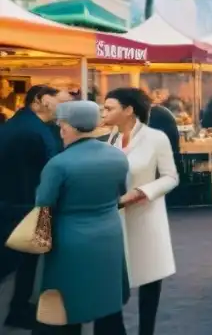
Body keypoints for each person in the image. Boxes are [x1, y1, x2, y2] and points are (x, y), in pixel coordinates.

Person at [35, 101, 130, 335]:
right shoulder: (117, 157)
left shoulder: (58, 164)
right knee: (106, 298)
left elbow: (44, 205)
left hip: (69, 240)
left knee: (65, 304)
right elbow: (120, 193)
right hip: (109, 234)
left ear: (66, 127)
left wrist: (38, 243)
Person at [101, 88, 178, 335]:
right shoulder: (109, 139)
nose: (104, 112)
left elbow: (171, 177)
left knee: (149, 278)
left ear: (128, 110)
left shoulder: (156, 138)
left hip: (146, 217)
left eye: (109, 108)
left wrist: (142, 192)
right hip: (116, 219)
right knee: (114, 279)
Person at [0, 85, 60, 330]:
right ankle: (18, 309)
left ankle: (20, 307)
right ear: (39, 100)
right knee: (20, 261)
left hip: (21, 203)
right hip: (24, 205)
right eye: (57, 99)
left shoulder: (24, 125)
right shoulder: (31, 131)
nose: (61, 105)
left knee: (24, 262)